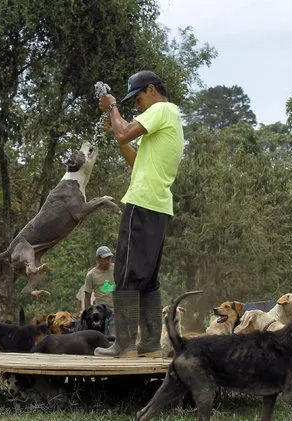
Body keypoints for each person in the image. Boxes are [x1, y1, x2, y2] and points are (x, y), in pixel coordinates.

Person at [94, 70, 184, 358]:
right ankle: (149, 343)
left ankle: (122, 344)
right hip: (159, 207)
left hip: (142, 204)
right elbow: (135, 157)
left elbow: (124, 130)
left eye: (138, 97)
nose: (136, 106)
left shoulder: (160, 109)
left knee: (124, 275)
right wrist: (118, 136)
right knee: (147, 279)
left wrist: (111, 107)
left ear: (152, 90)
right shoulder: (170, 117)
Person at [83, 246, 115, 310]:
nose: (108, 260)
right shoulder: (91, 275)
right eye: (105, 258)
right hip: (102, 309)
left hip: (117, 308)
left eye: (109, 257)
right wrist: (88, 314)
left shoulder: (116, 268)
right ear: (98, 258)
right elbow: (87, 297)